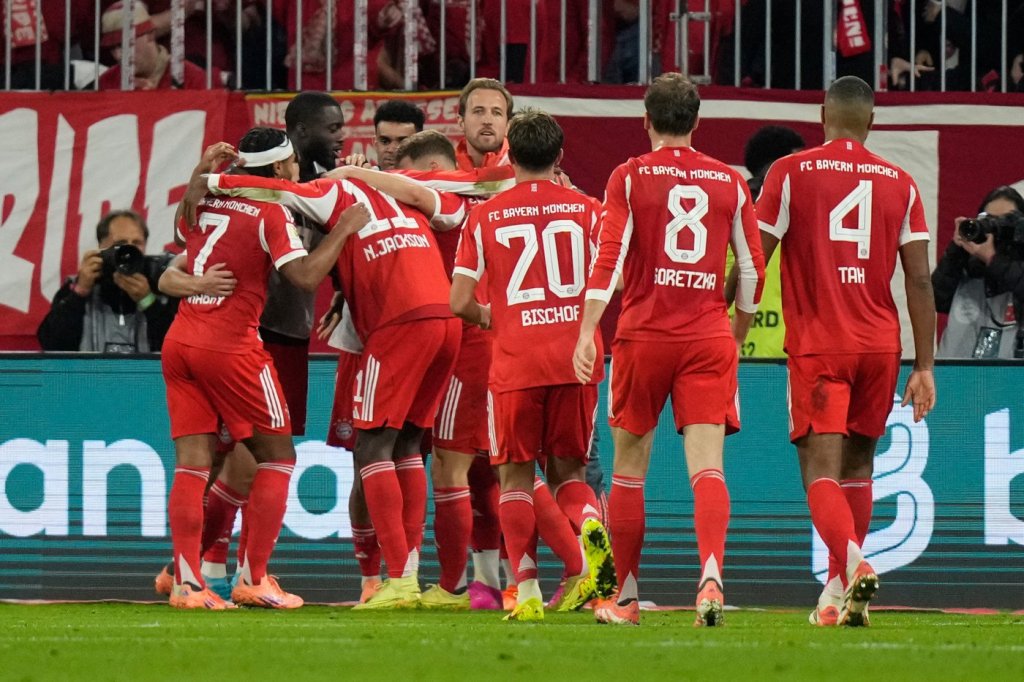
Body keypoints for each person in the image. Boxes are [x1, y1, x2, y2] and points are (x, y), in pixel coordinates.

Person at [185, 133, 461, 612]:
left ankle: (397, 579)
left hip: (397, 323)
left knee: (371, 447)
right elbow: (454, 212)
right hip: (446, 317)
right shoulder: (407, 190)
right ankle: (412, 574)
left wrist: (206, 181)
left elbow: (272, 194)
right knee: (408, 446)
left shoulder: (331, 189)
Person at [573, 72, 765, 627]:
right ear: (697, 121)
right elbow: (752, 270)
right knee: (708, 469)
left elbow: (608, 259)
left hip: (645, 336)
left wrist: (587, 330)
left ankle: (627, 598)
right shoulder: (729, 181)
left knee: (629, 471)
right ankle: (711, 576)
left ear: (646, 120)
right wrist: (736, 333)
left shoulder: (630, 176)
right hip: (707, 336)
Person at [754, 75, 937, 627]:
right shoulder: (901, 182)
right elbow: (920, 280)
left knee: (820, 472)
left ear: (822, 115)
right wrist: (925, 365)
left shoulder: (789, 172)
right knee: (859, 467)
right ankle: (835, 596)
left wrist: (724, 315)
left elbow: (756, 258)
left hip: (821, 344)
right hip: (880, 345)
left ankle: (856, 565)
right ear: (871, 122)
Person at [162, 130, 369, 610]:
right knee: (277, 457)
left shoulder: (204, 197)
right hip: (232, 346)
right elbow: (304, 276)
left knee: (192, 465)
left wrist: (200, 173)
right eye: (292, 162)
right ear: (279, 169)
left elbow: (182, 229)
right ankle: (254, 578)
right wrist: (343, 229)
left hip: (182, 340)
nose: (296, 170)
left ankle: (186, 583)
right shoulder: (270, 211)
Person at [451, 108, 615, 621]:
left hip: (516, 361)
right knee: (570, 474)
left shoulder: (484, 215)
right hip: (576, 358)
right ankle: (589, 522)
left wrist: (491, 316)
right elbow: (613, 278)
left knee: (515, 478)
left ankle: (524, 591)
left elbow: (459, 301)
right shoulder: (590, 211)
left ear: (511, 156)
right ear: (559, 156)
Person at [37, 210, 177, 353]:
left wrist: (148, 301)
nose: (129, 250)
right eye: (121, 243)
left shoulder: (160, 288)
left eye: (137, 243)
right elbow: (51, 344)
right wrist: (80, 292)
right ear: (101, 246)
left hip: (145, 369)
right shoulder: (77, 288)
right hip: (90, 368)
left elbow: (177, 347)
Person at [724, 125, 806, 359]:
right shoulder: (800, 213)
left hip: (727, 348)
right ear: (779, 165)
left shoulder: (724, 207)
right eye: (797, 161)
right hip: (782, 355)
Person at [932, 186, 1024, 358]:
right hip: (959, 369)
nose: (996, 227)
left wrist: (992, 259)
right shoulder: (969, 260)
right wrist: (955, 250)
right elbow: (936, 300)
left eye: (1006, 220)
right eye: (989, 219)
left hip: (1013, 371)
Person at [96, 2, 225, 90]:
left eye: (125, 45)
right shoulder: (106, 83)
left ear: (150, 35)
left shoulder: (192, 79)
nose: (119, 55)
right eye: (113, 48)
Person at [456, 78, 513, 170]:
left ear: (507, 126)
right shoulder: (444, 167)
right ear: (461, 122)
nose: (487, 121)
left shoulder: (523, 168)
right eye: (478, 111)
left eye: (497, 113)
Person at [373, 99, 426, 170]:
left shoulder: (435, 177)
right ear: (375, 144)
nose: (392, 150)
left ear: (420, 147)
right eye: (385, 141)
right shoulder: (361, 176)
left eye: (403, 142)